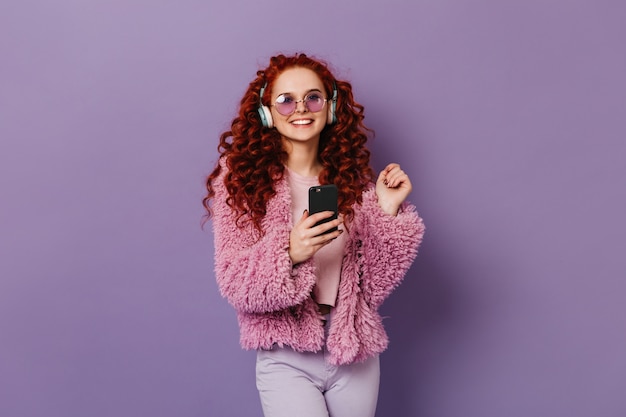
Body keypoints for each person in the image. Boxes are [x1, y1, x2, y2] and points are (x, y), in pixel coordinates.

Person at [203, 53, 425, 417]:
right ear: (266, 112)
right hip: (286, 356)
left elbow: (375, 286)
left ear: (331, 107)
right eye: (286, 100)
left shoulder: (353, 184)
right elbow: (233, 282)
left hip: (353, 351)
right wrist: (290, 250)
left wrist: (386, 209)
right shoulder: (241, 183)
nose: (300, 108)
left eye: (313, 97)